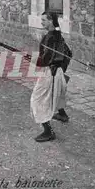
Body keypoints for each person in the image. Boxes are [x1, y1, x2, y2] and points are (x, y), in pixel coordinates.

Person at [30, 12, 72, 142]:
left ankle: (48, 131)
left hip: (50, 72)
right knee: (57, 93)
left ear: (51, 21)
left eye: (43, 20)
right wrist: (61, 69)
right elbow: (69, 54)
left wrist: (33, 60)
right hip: (57, 71)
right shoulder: (58, 34)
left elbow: (45, 60)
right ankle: (62, 115)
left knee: (38, 99)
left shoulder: (50, 37)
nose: (41, 22)